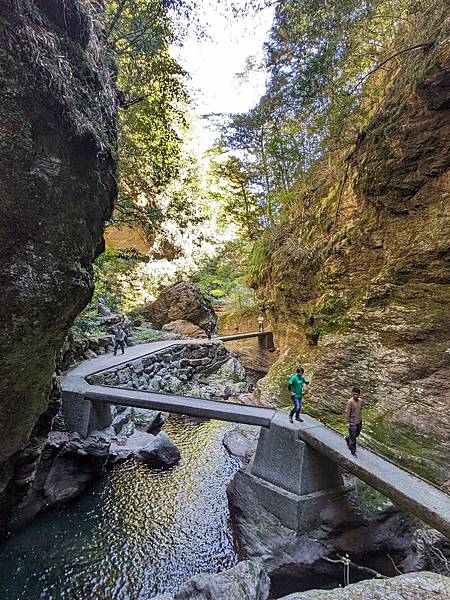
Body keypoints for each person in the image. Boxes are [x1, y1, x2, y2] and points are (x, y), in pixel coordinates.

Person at [345, 387, 363, 456]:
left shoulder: (360, 401)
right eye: (354, 394)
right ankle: (353, 450)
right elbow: (347, 413)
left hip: (359, 421)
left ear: (359, 395)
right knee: (353, 437)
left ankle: (347, 438)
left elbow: (360, 409)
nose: (355, 395)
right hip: (352, 422)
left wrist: (361, 419)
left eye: (357, 394)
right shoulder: (350, 402)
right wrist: (347, 422)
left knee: (356, 435)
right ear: (352, 394)